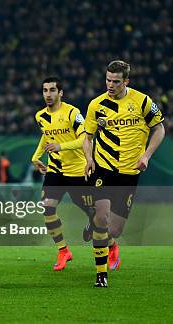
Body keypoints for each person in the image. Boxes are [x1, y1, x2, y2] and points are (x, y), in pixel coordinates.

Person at [83, 60, 165, 287]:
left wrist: (147, 155)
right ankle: (101, 275)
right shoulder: (96, 105)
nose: (110, 85)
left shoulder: (143, 102)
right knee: (102, 218)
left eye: (116, 81)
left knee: (114, 230)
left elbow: (159, 129)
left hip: (129, 173)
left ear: (126, 81)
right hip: (103, 169)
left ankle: (107, 239)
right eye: (108, 80)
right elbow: (87, 137)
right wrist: (89, 158)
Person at [30, 77, 93, 272]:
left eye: (52, 90)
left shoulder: (73, 113)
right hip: (55, 170)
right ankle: (63, 250)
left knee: (95, 214)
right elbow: (46, 136)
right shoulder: (40, 116)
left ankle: (111, 244)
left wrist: (60, 146)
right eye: (45, 90)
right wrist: (36, 156)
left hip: (77, 171)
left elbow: (84, 139)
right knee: (47, 207)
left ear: (61, 93)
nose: (48, 94)